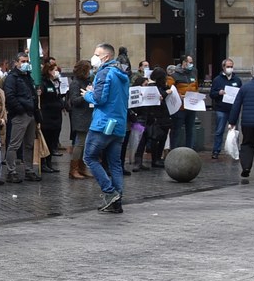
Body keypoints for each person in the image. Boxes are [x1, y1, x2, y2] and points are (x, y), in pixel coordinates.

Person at [81, 42, 128, 214]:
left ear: (106, 57)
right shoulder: (122, 74)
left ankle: (110, 192)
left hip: (102, 124)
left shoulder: (104, 72)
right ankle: (117, 201)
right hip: (119, 125)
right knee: (115, 163)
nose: (94, 57)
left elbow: (99, 99)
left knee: (89, 157)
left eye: (96, 54)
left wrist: (87, 95)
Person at [2, 55, 39, 183]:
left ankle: (28, 170)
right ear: (16, 63)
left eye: (27, 61)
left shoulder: (27, 77)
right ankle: (11, 171)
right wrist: (20, 109)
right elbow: (10, 96)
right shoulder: (12, 78)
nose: (25, 64)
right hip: (20, 115)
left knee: (29, 144)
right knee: (14, 144)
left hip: (30, 113)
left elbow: (32, 95)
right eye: (23, 61)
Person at [130, 68, 173, 172]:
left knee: (146, 139)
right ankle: (137, 162)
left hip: (148, 118)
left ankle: (139, 162)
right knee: (140, 140)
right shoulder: (151, 88)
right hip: (141, 118)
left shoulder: (157, 88)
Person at [208, 58, 242, 160]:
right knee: (219, 131)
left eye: (231, 66)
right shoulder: (217, 80)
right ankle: (216, 150)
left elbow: (241, 93)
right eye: (228, 66)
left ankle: (234, 150)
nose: (230, 68)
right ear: (223, 67)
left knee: (234, 130)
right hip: (221, 109)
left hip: (233, 109)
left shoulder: (237, 80)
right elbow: (212, 94)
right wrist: (219, 93)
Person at [65, 59, 93, 180]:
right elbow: (74, 101)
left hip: (88, 115)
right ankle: (74, 169)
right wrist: (86, 95)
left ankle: (82, 167)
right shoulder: (75, 83)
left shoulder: (87, 81)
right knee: (79, 143)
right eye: (89, 69)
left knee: (85, 144)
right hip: (80, 116)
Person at [36, 58, 64, 173]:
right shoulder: (44, 83)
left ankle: (49, 163)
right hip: (47, 116)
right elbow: (44, 98)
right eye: (54, 70)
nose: (56, 72)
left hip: (56, 115)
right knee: (46, 140)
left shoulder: (56, 82)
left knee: (53, 140)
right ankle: (43, 163)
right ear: (48, 71)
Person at [170, 54, 198, 150]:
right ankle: (173, 150)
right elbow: (170, 90)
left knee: (190, 130)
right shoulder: (174, 76)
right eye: (189, 62)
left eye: (192, 62)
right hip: (180, 108)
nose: (191, 64)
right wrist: (179, 96)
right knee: (176, 130)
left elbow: (195, 88)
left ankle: (190, 149)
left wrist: (197, 97)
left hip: (191, 106)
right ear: (184, 63)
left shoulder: (193, 74)